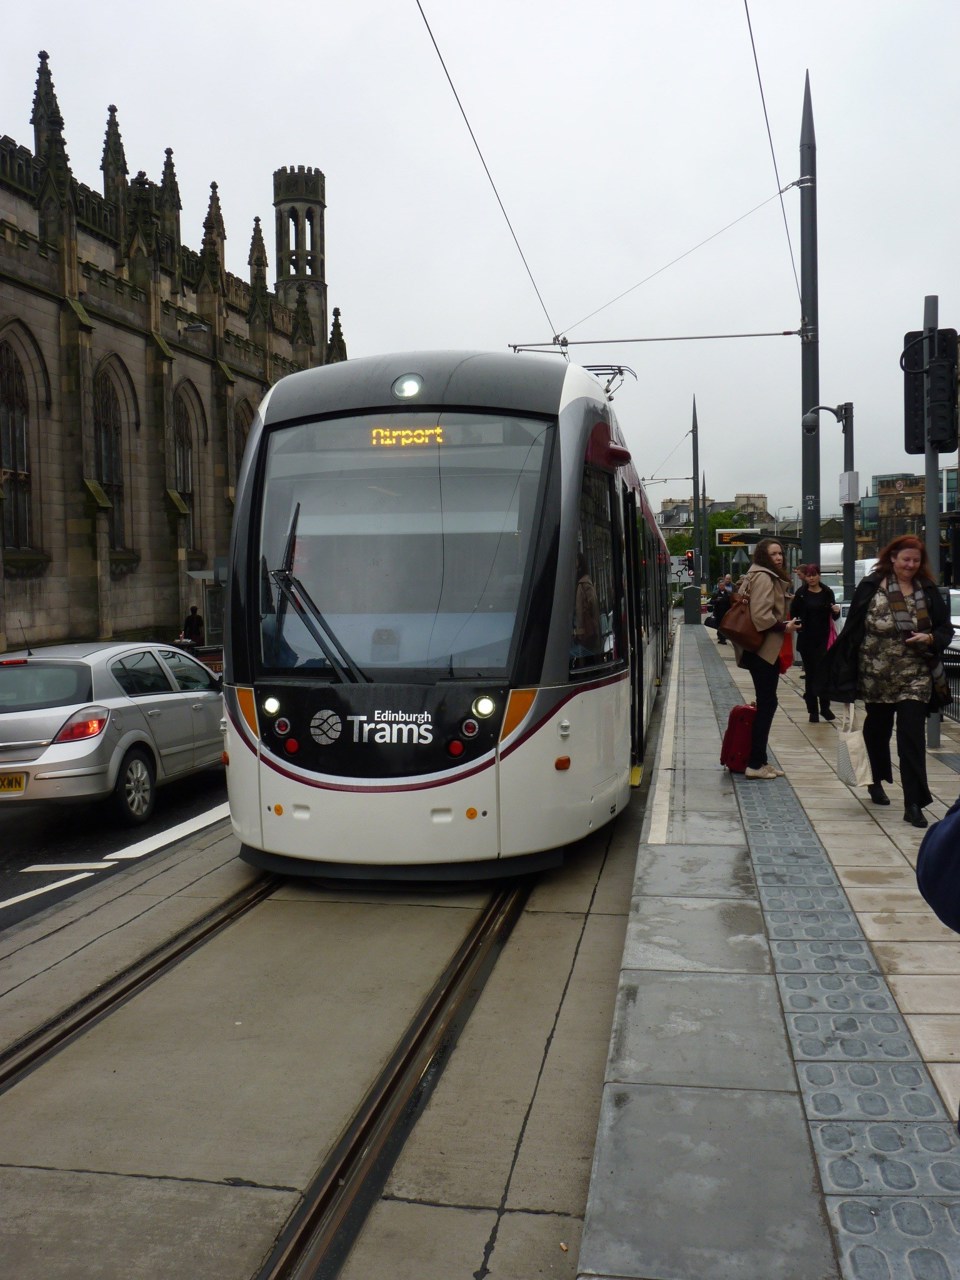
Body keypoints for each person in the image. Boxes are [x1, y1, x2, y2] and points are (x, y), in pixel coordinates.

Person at [824, 534, 953, 828]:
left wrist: (931, 638)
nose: (910, 565)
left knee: (912, 737)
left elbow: (944, 628)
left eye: (915, 560)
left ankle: (914, 803)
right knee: (877, 732)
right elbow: (854, 628)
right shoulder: (870, 587)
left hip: (915, 675)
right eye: (905, 559)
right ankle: (876, 780)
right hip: (876, 675)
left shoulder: (929, 590)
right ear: (892, 558)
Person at [730, 538, 801, 780]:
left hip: (758, 650)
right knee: (767, 704)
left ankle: (761, 760)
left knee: (767, 703)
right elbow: (761, 616)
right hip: (763, 650)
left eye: (780, 553)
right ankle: (755, 763)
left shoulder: (758, 574)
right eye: (773, 554)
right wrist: (785, 626)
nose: (779, 557)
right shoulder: (763, 577)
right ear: (763, 555)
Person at [789, 563, 839, 722]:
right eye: (809, 575)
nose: (811, 578)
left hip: (824, 639)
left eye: (814, 575)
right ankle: (813, 711)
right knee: (811, 675)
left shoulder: (826, 592)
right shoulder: (801, 593)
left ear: (819, 575)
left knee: (823, 674)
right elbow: (794, 613)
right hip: (807, 639)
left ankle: (825, 707)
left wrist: (836, 611)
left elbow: (834, 615)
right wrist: (798, 625)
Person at [573, 552, 601, 659]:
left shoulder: (582, 585)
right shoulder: (587, 582)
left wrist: (578, 633)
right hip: (592, 635)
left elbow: (580, 614)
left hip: (586, 637)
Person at [712, 576, 733, 644]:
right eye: (720, 585)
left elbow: (731, 602)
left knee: (724, 626)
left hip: (726, 612)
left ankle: (723, 639)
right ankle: (721, 638)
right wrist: (716, 600)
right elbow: (711, 602)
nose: (722, 586)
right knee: (719, 625)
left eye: (723, 585)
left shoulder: (728, 593)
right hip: (718, 612)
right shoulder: (716, 593)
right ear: (718, 586)